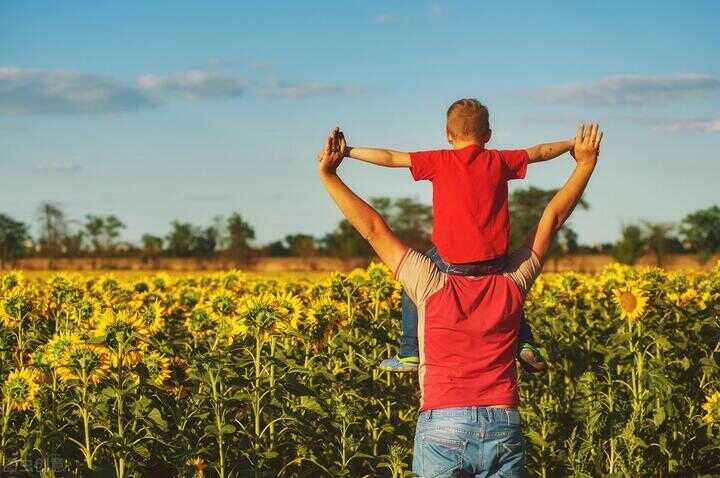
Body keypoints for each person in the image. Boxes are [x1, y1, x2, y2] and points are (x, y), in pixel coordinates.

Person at [318, 123, 602, 477]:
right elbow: (552, 218)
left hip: (443, 426)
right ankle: (525, 343)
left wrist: (331, 174)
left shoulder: (427, 283)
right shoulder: (512, 282)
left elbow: (374, 228)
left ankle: (410, 351)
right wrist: (584, 164)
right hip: (503, 422)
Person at [341, 99, 576, 373]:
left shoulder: (439, 160)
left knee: (411, 281)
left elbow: (391, 157)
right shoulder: (500, 160)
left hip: (451, 262)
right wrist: (572, 144)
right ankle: (524, 342)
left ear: (448, 134)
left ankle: (409, 351)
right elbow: (541, 151)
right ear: (488, 135)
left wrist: (348, 151)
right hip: (495, 262)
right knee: (510, 289)